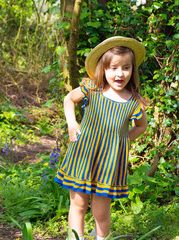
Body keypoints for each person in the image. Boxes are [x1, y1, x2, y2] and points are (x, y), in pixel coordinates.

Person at [54, 36, 148, 240]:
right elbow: (69, 99)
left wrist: (122, 141)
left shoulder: (133, 102)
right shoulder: (93, 89)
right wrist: (72, 123)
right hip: (82, 157)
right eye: (113, 68)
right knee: (78, 204)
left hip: (109, 164)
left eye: (126, 68)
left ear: (132, 70)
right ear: (103, 69)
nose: (120, 73)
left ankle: (101, 237)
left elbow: (141, 126)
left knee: (101, 211)